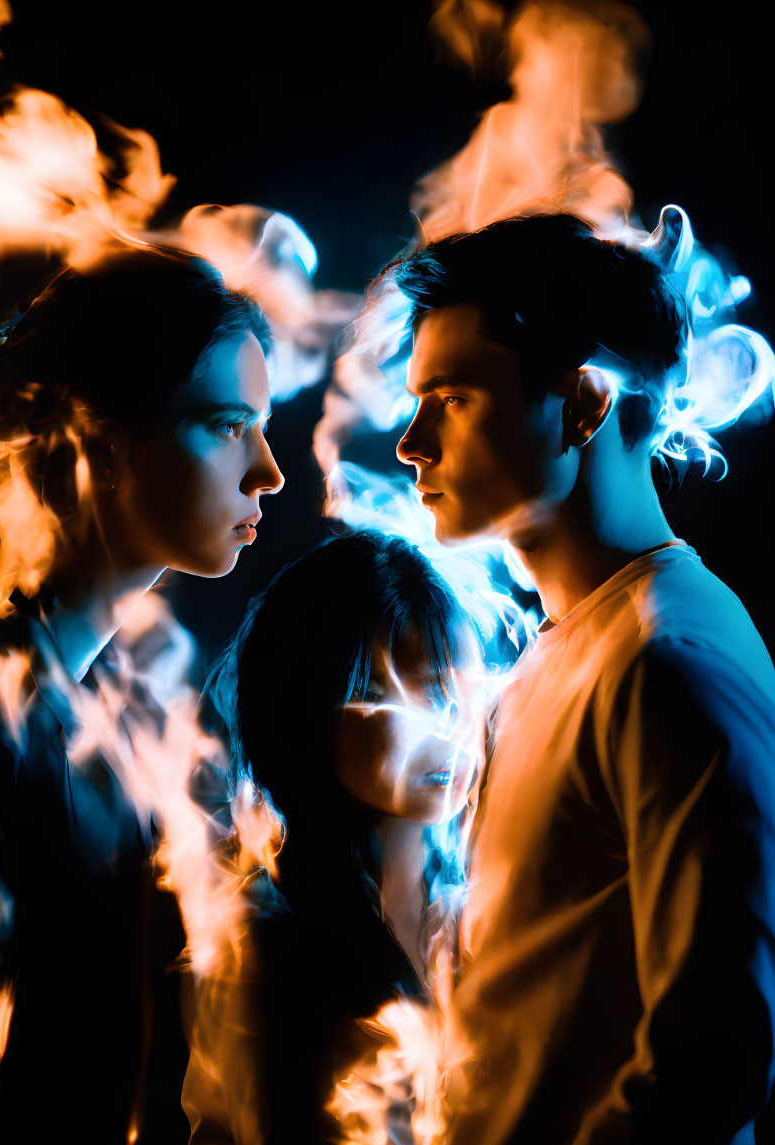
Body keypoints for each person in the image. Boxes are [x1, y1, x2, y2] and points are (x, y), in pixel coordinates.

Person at [0, 242, 284, 1145]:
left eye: (263, 426)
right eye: (227, 424)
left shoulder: (129, 707)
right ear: (103, 431)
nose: (269, 472)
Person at [392, 213, 775, 1145]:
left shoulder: (668, 658)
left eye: (453, 398)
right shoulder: (566, 649)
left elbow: (711, 1059)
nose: (410, 441)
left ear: (583, 405)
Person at [182, 530, 474, 1145]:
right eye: (374, 692)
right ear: (306, 710)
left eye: (443, 682)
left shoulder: (479, 903)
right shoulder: (262, 951)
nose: (438, 721)